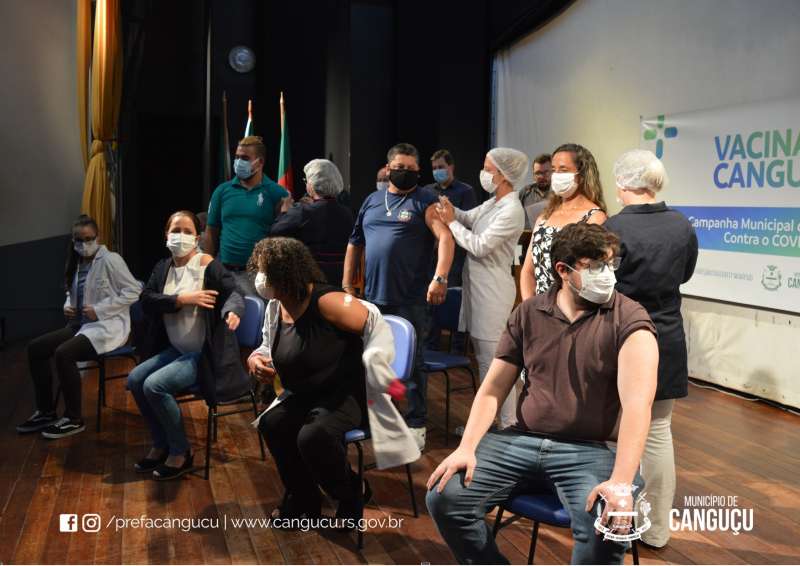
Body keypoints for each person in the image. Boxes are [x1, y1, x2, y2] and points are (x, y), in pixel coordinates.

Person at [426, 223, 658, 565]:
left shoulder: (629, 317)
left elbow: (638, 405)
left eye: (611, 264)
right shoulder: (530, 313)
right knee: (445, 497)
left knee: (605, 522)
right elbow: (493, 389)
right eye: (596, 266)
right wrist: (467, 447)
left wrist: (622, 482)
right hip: (522, 440)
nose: (607, 274)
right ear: (563, 270)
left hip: (590, 450)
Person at [247, 237, 419, 522]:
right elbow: (266, 346)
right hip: (304, 393)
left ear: (287, 272)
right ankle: (304, 499)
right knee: (272, 424)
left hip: (345, 394)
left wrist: (381, 375)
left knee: (313, 436)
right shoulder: (276, 307)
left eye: (266, 271)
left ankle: (352, 492)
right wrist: (255, 360)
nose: (261, 278)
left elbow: (376, 323)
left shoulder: (328, 301)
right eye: (260, 270)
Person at [604, 149, 698, 548]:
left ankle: (613, 522)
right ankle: (656, 528)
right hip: (667, 335)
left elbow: (602, 286)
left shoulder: (613, 227)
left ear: (622, 182)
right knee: (658, 432)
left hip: (622, 335)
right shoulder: (682, 225)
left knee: (614, 433)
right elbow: (686, 274)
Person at [343, 142, 455, 451]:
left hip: (410, 298)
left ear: (418, 171)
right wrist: (347, 286)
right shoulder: (372, 200)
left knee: (413, 364)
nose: (404, 172)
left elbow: (446, 238)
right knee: (374, 361)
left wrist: (440, 278)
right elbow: (354, 243)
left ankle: (417, 422)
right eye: (399, 167)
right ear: (388, 168)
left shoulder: (424, 200)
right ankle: (380, 419)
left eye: (410, 169)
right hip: (373, 297)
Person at [127, 210, 246, 479]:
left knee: (154, 385)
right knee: (135, 380)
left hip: (203, 354)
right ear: (166, 235)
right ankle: (161, 444)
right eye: (175, 230)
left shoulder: (207, 264)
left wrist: (233, 311)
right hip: (176, 349)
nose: (180, 236)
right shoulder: (163, 267)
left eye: (187, 231)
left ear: (198, 237)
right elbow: (146, 300)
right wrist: (182, 300)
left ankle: (181, 452)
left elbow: (235, 292)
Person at [17, 215, 141, 438]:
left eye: (88, 239)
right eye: (79, 240)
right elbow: (71, 292)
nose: (84, 244)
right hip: (80, 325)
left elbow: (134, 290)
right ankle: (46, 411)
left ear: (98, 237)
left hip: (106, 326)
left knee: (64, 353)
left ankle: (74, 418)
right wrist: (68, 306)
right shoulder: (76, 262)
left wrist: (100, 310)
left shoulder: (111, 260)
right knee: (35, 348)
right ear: (73, 240)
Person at [436, 147, 527, 430]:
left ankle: (506, 424)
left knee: (494, 364)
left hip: (492, 292)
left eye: (488, 170)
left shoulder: (511, 210)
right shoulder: (492, 203)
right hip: (478, 289)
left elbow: (480, 245)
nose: (483, 174)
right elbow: (468, 218)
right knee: (485, 360)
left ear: (504, 174)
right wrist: (450, 210)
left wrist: (451, 222)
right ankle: (489, 424)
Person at [520, 143, 608, 300]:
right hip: (539, 307)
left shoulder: (594, 218)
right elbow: (528, 271)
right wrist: (530, 307)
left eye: (563, 170)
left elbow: (590, 275)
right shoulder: (544, 217)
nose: (556, 175)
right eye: (554, 170)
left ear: (581, 175)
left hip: (573, 308)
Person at [204, 136, 290, 293]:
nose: (238, 162)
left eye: (244, 158)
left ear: (260, 162)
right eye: (237, 157)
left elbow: (282, 236)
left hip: (258, 274)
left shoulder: (277, 193)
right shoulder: (222, 191)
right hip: (224, 272)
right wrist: (206, 268)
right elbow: (211, 231)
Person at [270, 159, 355, 285]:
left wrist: (284, 211)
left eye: (306, 181)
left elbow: (274, 232)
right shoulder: (347, 213)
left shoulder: (302, 211)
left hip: (311, 282)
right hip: (340, 281)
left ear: (311, 185)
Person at [518, 153, 552, 229]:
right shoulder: (525, 192)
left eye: (546, 172)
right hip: (528, 235)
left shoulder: (560, 194)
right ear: (533, 174)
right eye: (538, 173)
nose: (541, 176)